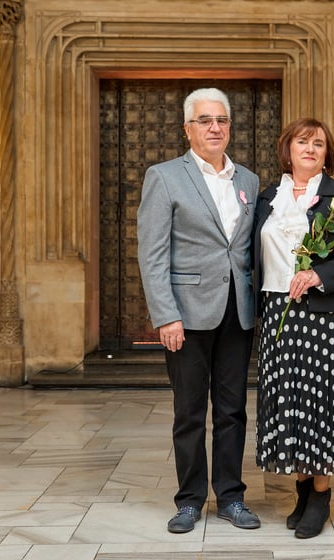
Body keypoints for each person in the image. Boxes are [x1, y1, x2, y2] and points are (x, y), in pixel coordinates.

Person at [137, 87, 261, 534]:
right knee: (189, 411)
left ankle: (230, 496)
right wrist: (165, 315)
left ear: (230, 127)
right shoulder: (165, 176)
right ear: (188, 129)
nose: (215, 127)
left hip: (237, 313)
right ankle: (189, 500)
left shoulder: (248, 181)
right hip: (186, 315)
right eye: (205, 120)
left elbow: (248, 249)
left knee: (232, 410)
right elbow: (152, 253)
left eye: (222, 120)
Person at [253, 117, 334, 539]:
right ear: (287, 150)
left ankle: (321, 492)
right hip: (278, 312)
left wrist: (319, 276)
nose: (311, 149)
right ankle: (301, 486)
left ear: (328, 154)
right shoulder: (267, 197)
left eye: (319, 144)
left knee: (322, 403)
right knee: (289, 402)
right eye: (302, 142)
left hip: (329, 316)